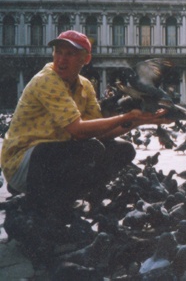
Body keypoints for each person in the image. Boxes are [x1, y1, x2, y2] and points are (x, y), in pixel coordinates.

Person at [1, 30, 170, 219]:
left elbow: (99, 133)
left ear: (86, 59)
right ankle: (46, 203)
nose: (61, 59)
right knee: (90, 148)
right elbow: (79, 132)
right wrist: (126, 116)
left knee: (124, 150)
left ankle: (68, 200)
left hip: (51, 156)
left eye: (70, 54)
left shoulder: (85, 85)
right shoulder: (46, 80)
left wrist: (141, 120)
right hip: (23, 163)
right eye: (58, 52)